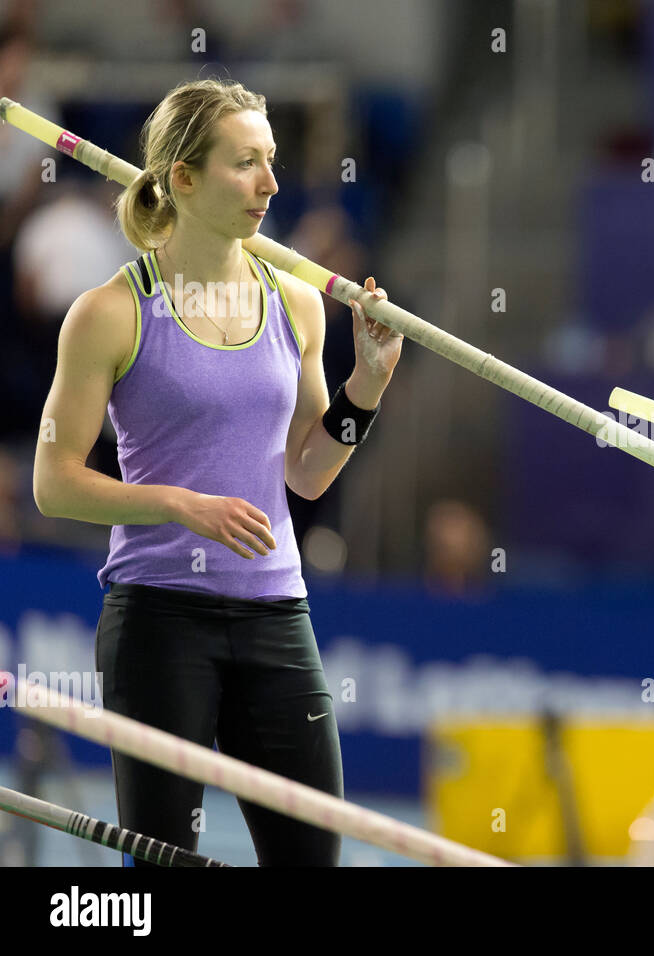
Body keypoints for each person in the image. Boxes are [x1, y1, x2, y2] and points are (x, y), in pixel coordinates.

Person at [31, 79, 405, 866]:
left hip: (276, 614)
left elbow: (306, 475)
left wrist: (365, 384)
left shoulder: (298, 304)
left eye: (271, 162)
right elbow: (54, 483)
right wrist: (178, 506)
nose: (271, 183)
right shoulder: (111, 313)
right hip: (159, 621)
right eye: (247, 164)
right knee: (162, 869)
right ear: (184, 178)